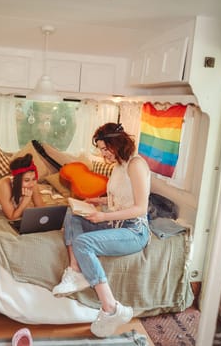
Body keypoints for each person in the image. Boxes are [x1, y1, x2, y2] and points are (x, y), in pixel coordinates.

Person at [52, 122, 151, 338]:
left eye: (105, 149)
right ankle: (76, 270)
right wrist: (99, 201)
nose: (103, 154)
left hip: (134, 230)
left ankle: (111, 307)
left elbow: (140, 207)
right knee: (72, 213)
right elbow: (121, 197)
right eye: (101, 149)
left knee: (83, 242)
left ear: (117, 143)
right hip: (116, 222)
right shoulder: (118, 166)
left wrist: (104, 215)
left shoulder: (136, 164)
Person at [0, 153, 44, 220]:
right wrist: (26, 199)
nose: (31, 184)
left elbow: (41, 208)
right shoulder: (4, 185)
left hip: (5, 198)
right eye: (26, 180)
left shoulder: (32, 183)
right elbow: (12, 217)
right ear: (17, 180)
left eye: (34, 179)